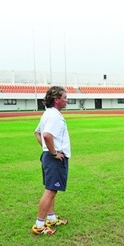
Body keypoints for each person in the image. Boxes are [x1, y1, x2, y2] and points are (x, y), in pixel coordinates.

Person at [32, 86, 71, 235]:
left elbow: (37, 133)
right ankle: (39, 226)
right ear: (57, 100)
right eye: (64, 97)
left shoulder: (48, 114)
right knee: (51, 190)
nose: (66, 100)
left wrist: (46, 149)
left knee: (51, 189)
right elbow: (46, 135)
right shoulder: (54, 116)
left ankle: (51, 218)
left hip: (49, 156)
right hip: (54, 158)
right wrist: (53, 152)